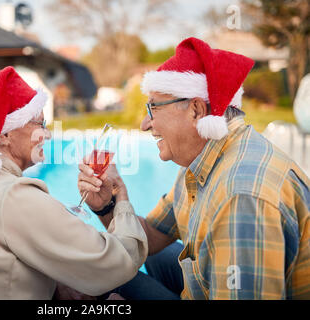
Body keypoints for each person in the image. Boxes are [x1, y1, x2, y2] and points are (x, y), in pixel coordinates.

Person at [78, 37, 310, 300]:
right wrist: (108, 202)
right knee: (136, 265)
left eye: (153, 108)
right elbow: (151, 237)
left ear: (197, 110)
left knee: (109, 290)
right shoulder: (201, 160)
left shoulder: (241, 197)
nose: (144, 124)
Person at [0, 66, 148, 299]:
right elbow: (117, 264)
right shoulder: (14, 197)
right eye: (38, 124)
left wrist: (56, 289)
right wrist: (120, 195)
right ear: (4, 135)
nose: (47, 135)